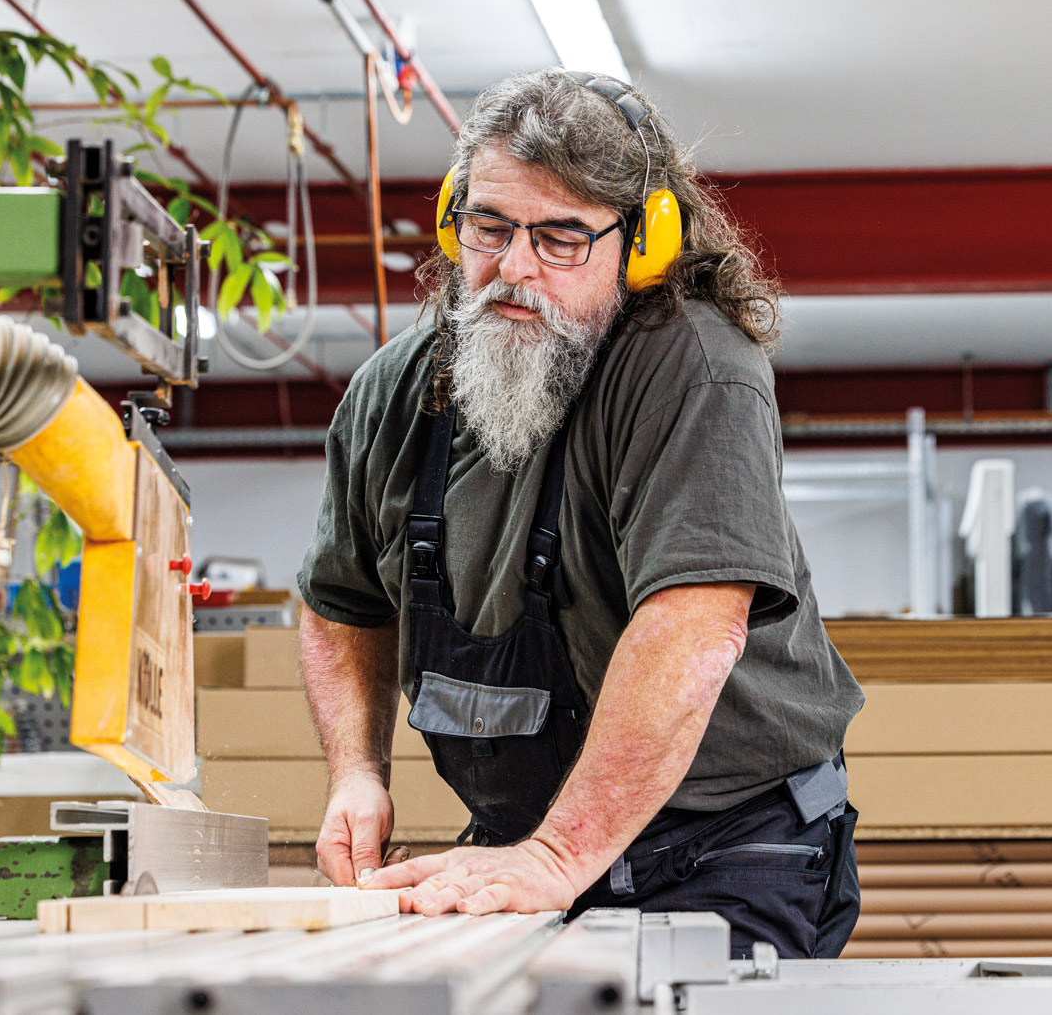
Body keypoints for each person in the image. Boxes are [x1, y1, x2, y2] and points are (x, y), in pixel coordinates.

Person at [296, 67, 864, 959]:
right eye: (489, 226)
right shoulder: (390, 396)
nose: (514, 268)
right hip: (529, 844)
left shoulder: (693, 371)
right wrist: (356, 775)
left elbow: (691, 629)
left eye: (562, 237)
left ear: (643, 247)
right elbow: (341, 605)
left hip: (721, 847)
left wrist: (560, 855)